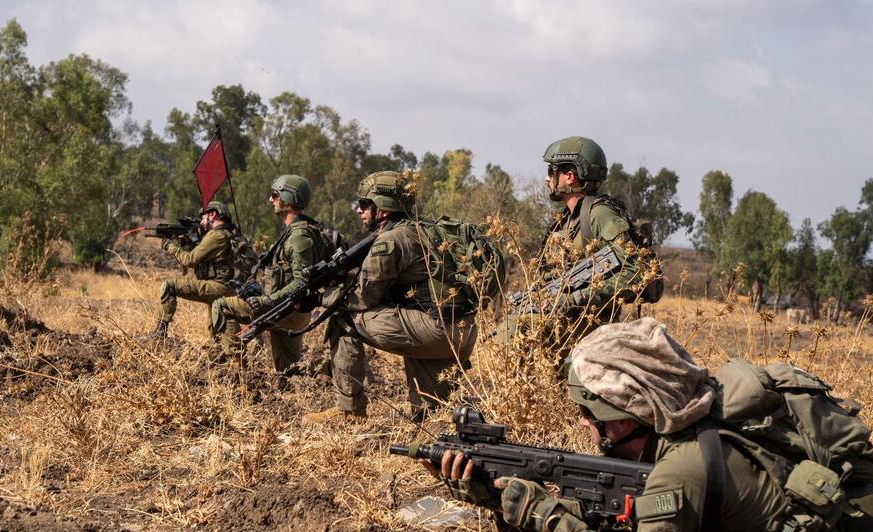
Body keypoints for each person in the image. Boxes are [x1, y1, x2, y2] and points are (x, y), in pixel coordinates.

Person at [434, 317, 873, 532]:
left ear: (632, 413)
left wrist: (548, 518)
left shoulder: (683, 467)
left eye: (595, 417)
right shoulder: (702, 410)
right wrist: (494, 493)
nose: (589, 431)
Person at [305, 171, 477, 424]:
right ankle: (433, 415)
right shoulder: (426, 228)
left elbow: (361, 298)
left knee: (343, 315)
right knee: (432, 418)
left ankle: (349, 411)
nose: (358, 210)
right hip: (462, 331)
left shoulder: (391, 239)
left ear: (383, 208)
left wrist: (320, 299)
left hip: (436, 330)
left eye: (364, 204)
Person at [509, 136, 648, 350]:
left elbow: (635, 270)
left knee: (515, 330)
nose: (547, 179)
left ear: (569, 176)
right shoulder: (565, 220)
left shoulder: (600, 214)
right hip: (565, 329)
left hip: (591, 331)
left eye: (551, 172)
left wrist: (576, 298)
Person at [210, 175, 324, 371]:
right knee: (287, 373)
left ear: (287, 199)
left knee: (221, 305)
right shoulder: (296, 230)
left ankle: (238, 370)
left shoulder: (299, 236)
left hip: (285, 311)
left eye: (275, 195)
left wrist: (267, 301)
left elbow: (302, 283)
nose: (271, 200)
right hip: (287, 310)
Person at [150, 201, 237, 339]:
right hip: (226, 287)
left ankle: (160, 333)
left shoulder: (216, 235)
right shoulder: (226, 233)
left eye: (203, 217)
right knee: (217, 332)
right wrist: (190, 242)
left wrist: (170, 246)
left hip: (218, 286)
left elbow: (189, 260)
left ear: (213, 214)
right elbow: (206, 256)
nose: (201, 222)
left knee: (169, 286)